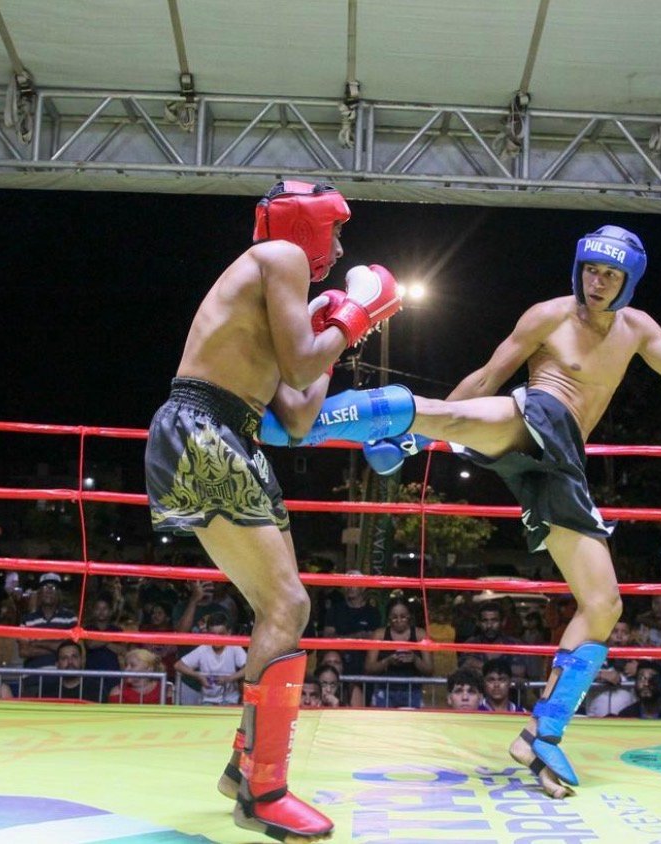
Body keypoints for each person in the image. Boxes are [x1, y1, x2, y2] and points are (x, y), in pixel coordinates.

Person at [283, 224, 661, 796]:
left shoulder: (637, 329)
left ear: (628, 281)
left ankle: (543, 732)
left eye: (610, 274)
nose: (597, 282)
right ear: (578, 267)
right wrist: (431, 440)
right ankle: (349, 417)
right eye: (591, 269)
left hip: (560, 466)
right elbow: (488, 377)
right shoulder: (548, 316)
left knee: (603, 604)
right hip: (539, 415)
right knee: (472, 417)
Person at [144, 179, 404, 843]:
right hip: (205, 427)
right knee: (287, 607)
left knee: (284, 607)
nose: (340, 246)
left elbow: (297, 403)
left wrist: (339, 328)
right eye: (337, 232)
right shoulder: (282, 256)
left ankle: (244, 769)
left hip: (224, 431)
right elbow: (297, 362)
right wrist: (353, 318)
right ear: (309, 226)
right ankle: (264, 790)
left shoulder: (278, 280)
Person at [362, 597, 433, 708]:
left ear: (409, 616)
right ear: (388, 618)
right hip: (384, 692)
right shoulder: (379, 635)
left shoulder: (420, 634)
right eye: (394, 617)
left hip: (412, 692)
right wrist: (388, 661)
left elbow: (429, 670)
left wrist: (414, 659)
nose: (399, 620)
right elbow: (368, 668)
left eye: (403, 617)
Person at [173, 613, 249, 705]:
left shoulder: (234, 647)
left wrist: (229, 678)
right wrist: (198, 675)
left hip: (231, 701)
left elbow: (249, 668)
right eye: (213, 634)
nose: (217, 638)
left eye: (221, 634)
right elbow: (178, 665)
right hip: (207, 701)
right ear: (207, 633)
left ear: (229, 633)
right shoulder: (203, 649)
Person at [320, 569, 381, 679]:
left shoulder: (373, 613)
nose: (350, 586)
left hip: (363, 667)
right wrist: (356, 637)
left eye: (354, 583)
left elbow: (375, 640)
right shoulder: (335, 610)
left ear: (363, 587)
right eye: (347, 583)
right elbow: (328, 638)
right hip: (338, 668)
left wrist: (343, 639)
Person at [17, 573, 79, 670]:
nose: (49, 591)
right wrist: (58, 650)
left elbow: (71, 650)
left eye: (53, 588)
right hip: (33, 676)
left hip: (62, 678)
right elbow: (24, 651)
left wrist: (37, 643)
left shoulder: (70, 618)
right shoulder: (27, 620)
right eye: (45, 587)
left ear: (59, 594)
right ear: (39, 592)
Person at [582, 618, 637, 717]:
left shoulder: (637, 658)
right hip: (595, 718)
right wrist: (600, 674)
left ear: (630, 636)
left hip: (627, 720)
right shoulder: (594, 655)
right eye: (615, 631)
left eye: (624, 632)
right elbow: (576, 674)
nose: (619, 636)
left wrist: (639, 669)